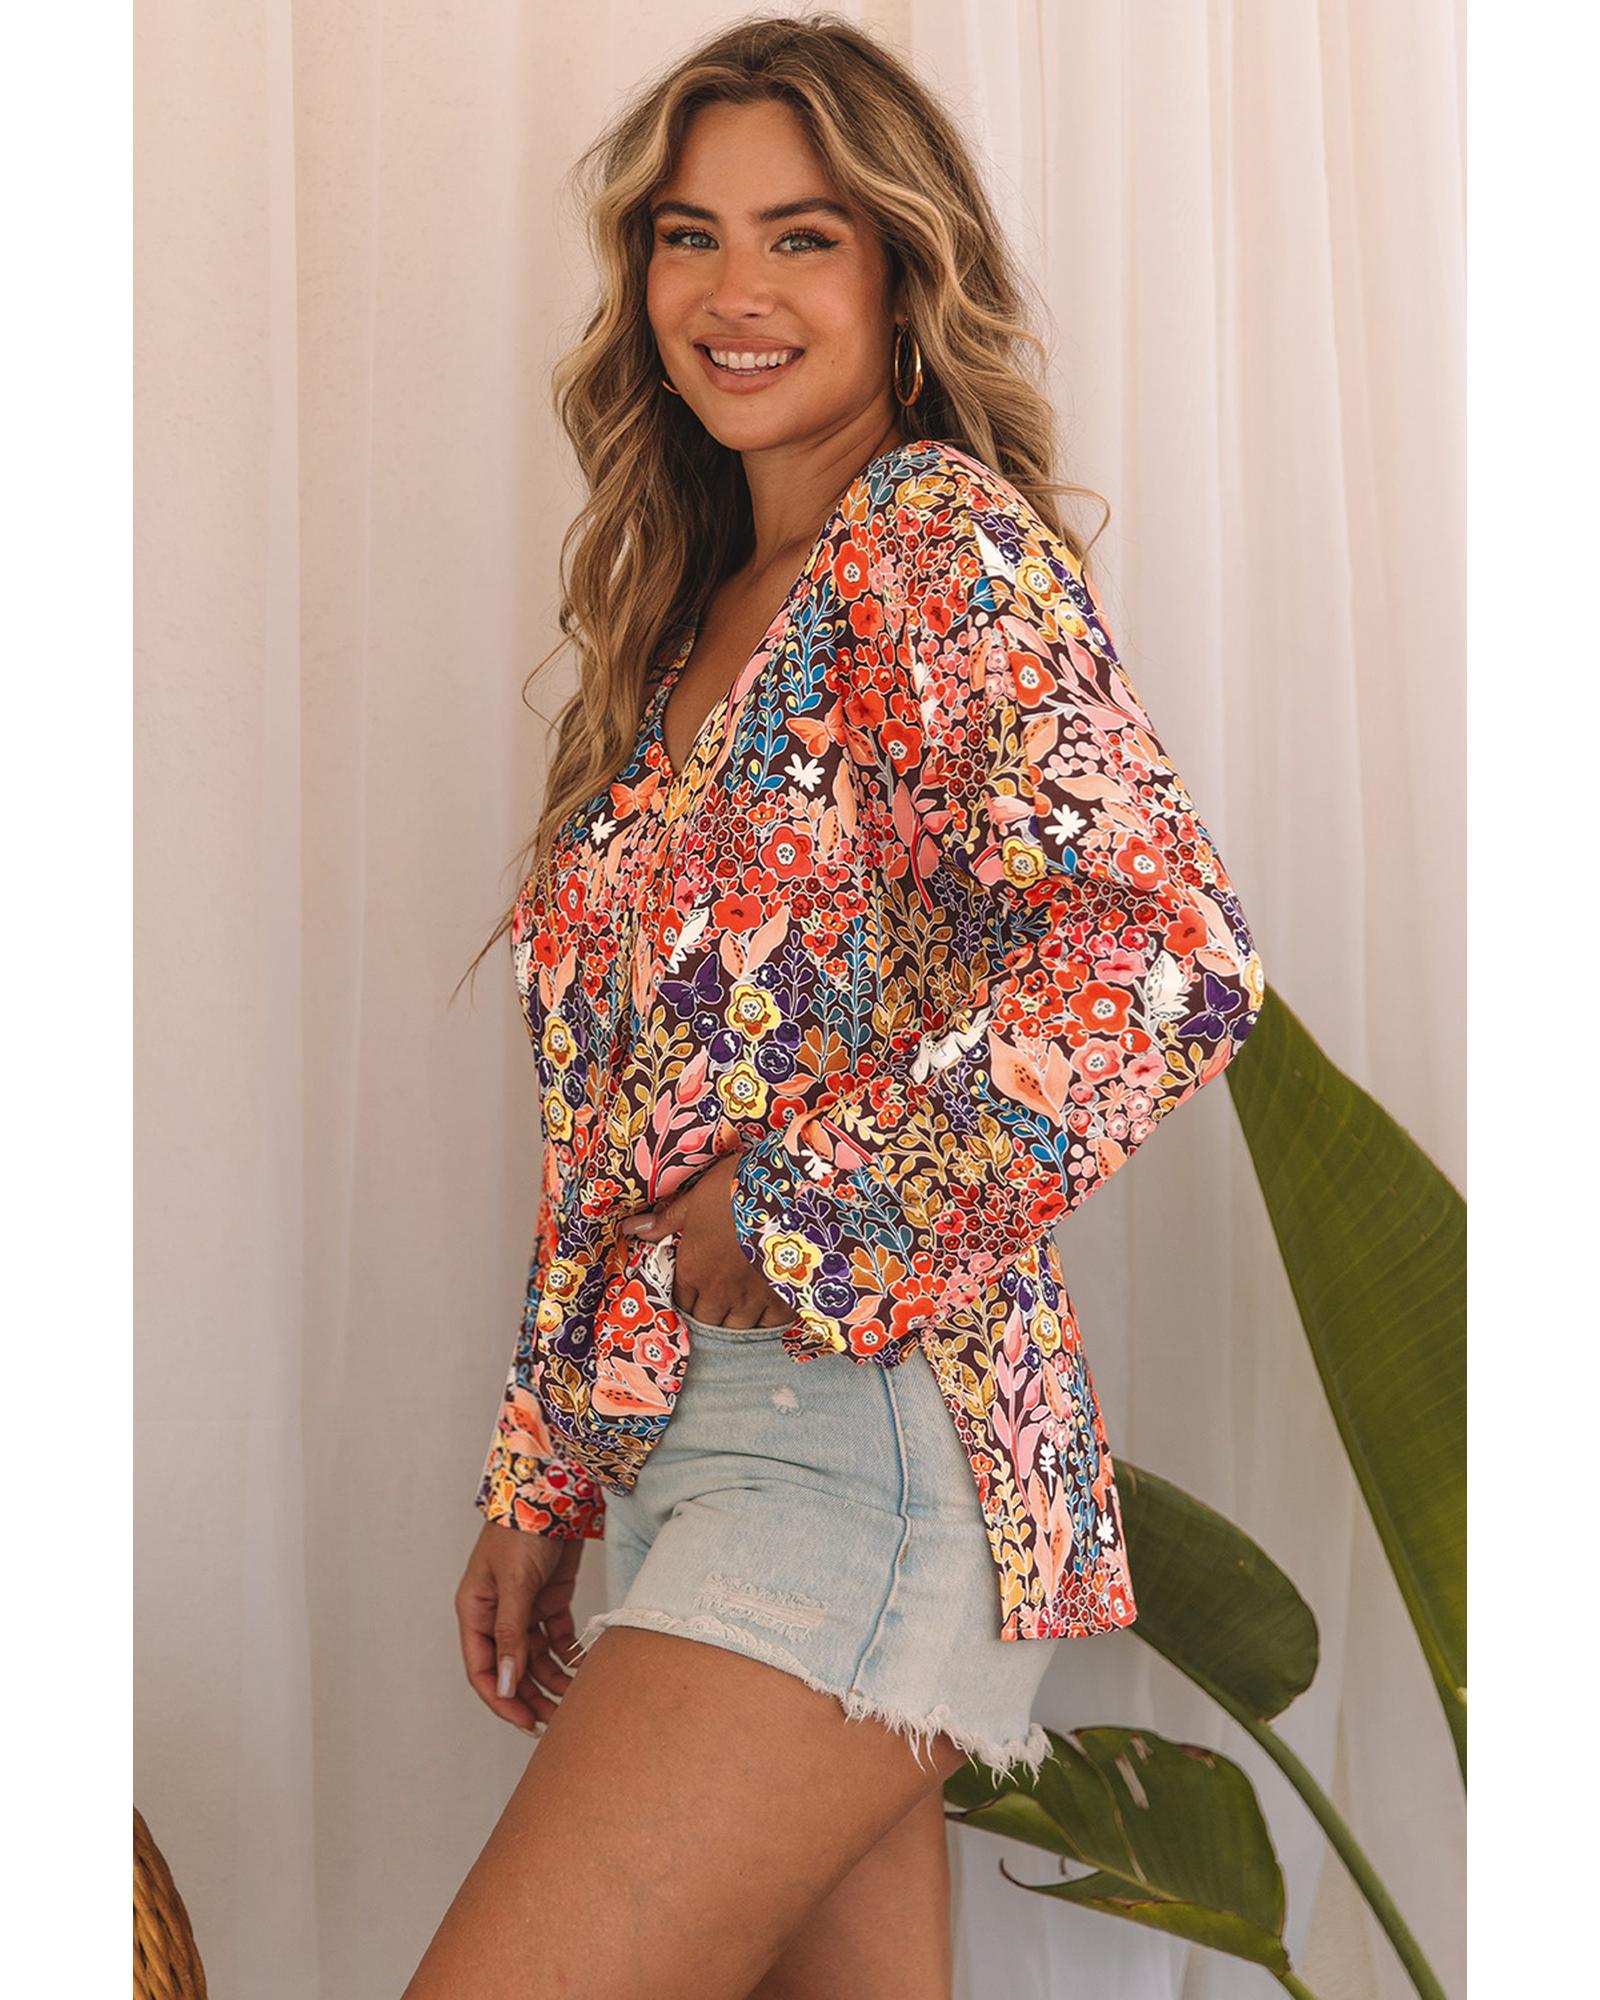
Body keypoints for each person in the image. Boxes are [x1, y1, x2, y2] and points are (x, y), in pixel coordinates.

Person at [404, 16, 1263, 1999]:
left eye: (800, 236)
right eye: (688, 236)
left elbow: (1167, 955)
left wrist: (798, 1207)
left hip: (859, 1442)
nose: (736, 291)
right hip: (691, 1449)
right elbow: (617, 1113)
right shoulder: (691, 620)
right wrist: (545, 1472)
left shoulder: (932, 549)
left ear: (900, 271)